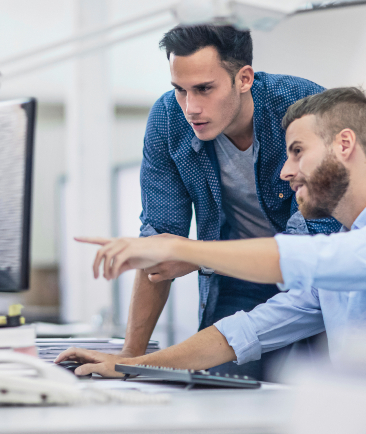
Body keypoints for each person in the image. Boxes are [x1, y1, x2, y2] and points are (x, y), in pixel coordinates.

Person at [58, 87, 366, 376]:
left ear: (345, 145)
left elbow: (302, 259)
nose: (286, 171)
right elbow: (246, 331)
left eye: (297, 151)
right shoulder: (348, 251)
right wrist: (133, 365)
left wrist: (180, 247)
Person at [110, 24, 340, 381]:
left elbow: (314, 251)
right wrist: (129, 359)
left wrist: (197, 254)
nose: (191, 107)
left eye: (204, 89)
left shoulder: (303, 108)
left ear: (244, 78)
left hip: (315, 279)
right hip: (233, 277)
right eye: (180, 90)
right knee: (220, 389)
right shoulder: (169, 119)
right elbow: (160, 242)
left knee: (311, 391)